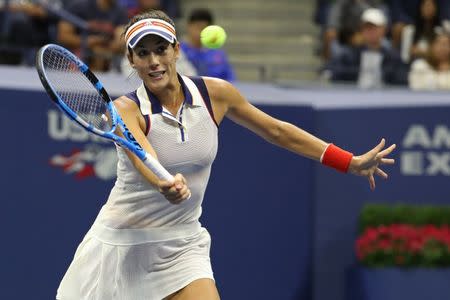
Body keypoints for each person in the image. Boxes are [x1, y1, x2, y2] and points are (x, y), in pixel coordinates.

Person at [56, 10, 396, 300]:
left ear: (177, 50)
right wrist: (164, 182)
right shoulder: (124, 110)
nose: (154, 61)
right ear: (131, 60)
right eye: (142, 54)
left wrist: (347, 161)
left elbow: (277, 131)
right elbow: (142, 156)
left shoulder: (215, 94)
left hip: (181, 244)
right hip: (122, 246)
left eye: (161, 49)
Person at [325, 8, 408, 88]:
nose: (370, 31)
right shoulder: (347, 55)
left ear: (384, 30)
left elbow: (401, 81)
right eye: (367, 27)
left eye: (374, 28)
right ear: (361, 30)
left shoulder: (393, 57)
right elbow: (333, 74)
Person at [57, 0, 128, 72]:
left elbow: (121, 37)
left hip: (107, 57)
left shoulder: (120, 11)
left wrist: (117, 44)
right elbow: (63, 36)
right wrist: (88, 41)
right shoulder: (79, 6)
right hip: (76, 58)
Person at [180, 8, 235, 81]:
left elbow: (229, 78)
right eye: (198, 27)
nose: (201, 32)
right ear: (189, 26)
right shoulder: (179, 52)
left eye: (204, 28)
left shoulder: (218, 54)